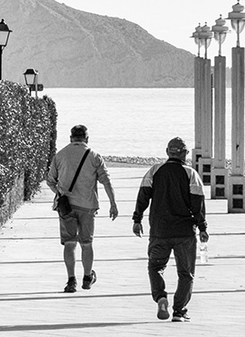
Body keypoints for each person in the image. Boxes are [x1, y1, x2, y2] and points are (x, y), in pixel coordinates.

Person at [132, 136, 209, 322]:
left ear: (168, 152)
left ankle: (161, 297)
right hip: (184, 233)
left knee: (155, 266)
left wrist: (137, 219)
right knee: (186, 273)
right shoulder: (191, 174)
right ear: (185, 154)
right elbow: (198, 204)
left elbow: (143, 196)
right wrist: (203, 228)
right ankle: (179, 310)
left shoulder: (154, 171)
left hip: (160, 231)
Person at [47, 124, 118, 293]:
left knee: (70, 243)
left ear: (71, 138)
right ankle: (87, 277)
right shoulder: (94, 156)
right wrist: (113, 204)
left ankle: (71, 280)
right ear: (86, 138)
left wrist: (60, 193)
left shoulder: (60, 155)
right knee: (87, 243)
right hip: (88, 206)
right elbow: (106, 181)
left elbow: (50, 180)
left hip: (66, 207)